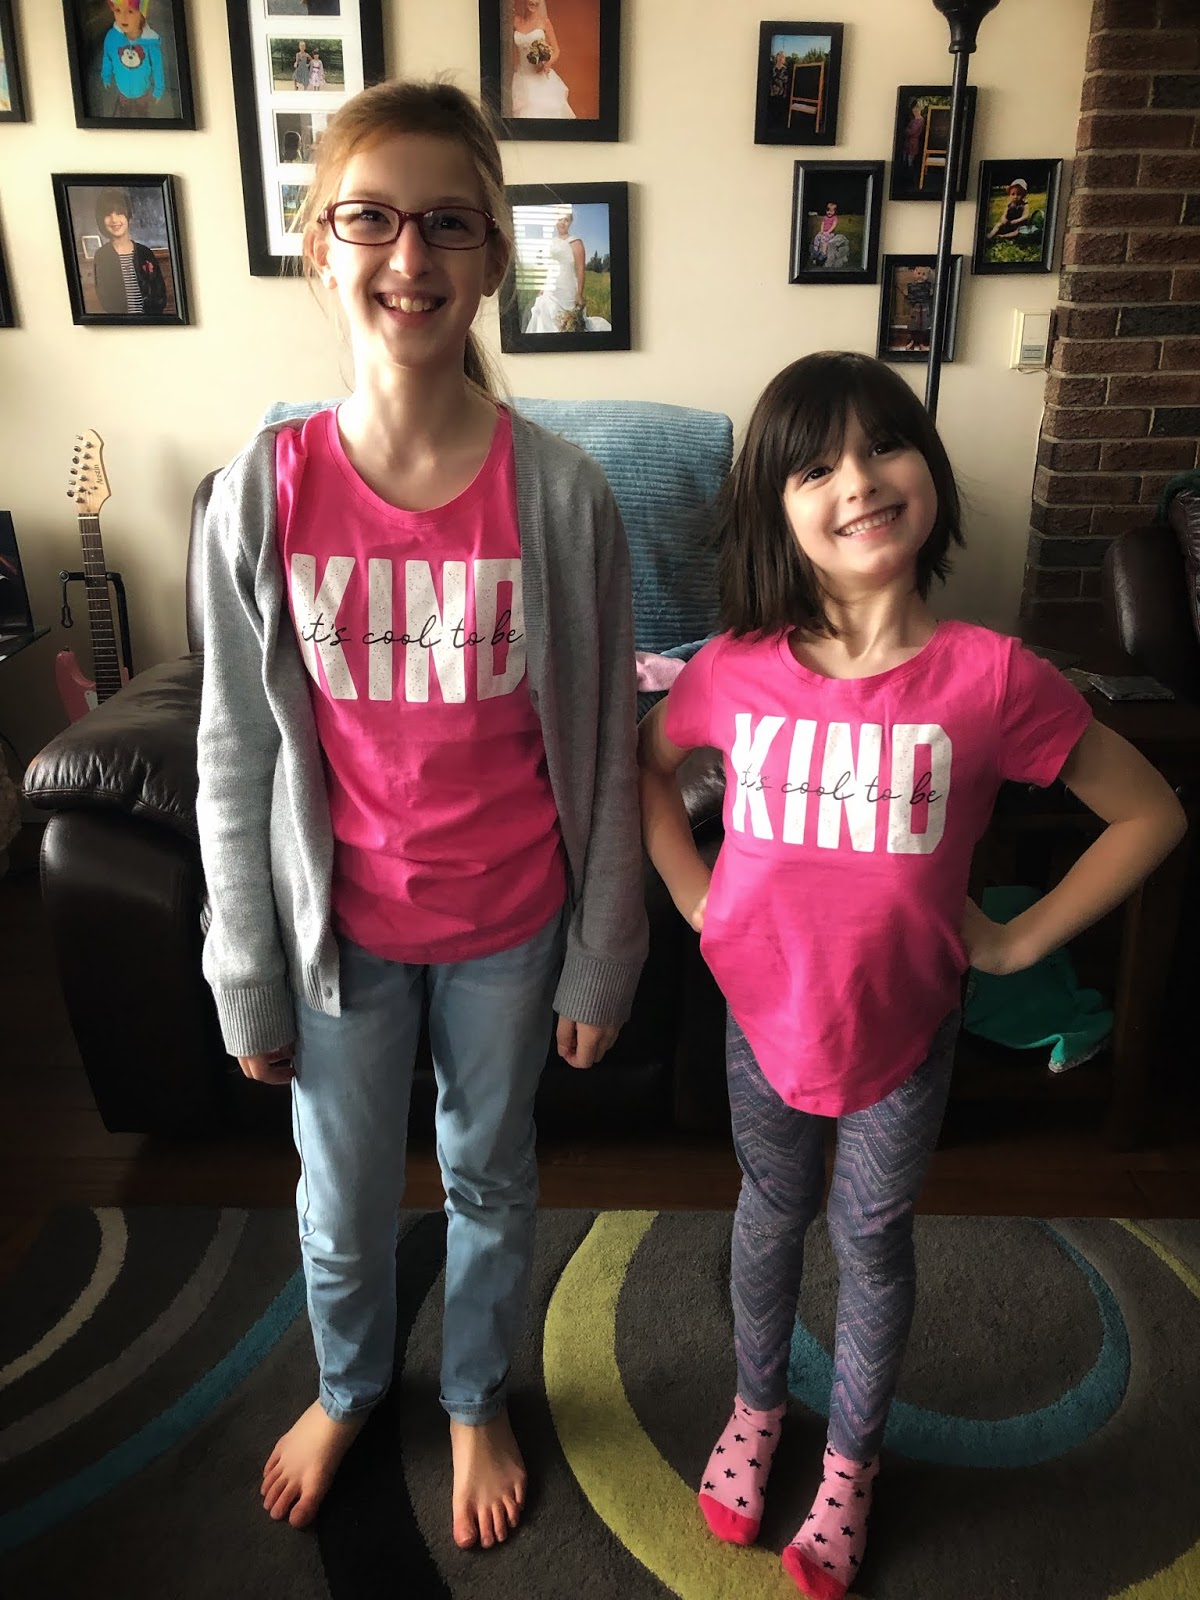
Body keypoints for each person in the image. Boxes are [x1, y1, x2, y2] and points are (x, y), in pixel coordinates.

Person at [637, 351, 1186, 1600]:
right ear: (776, 508)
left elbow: (1150, 811)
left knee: (873, 1238)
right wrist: (693, 895)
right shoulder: (736, 666)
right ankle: (755, 1405)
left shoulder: (993, 678)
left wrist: (1019, 941)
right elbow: (648, 766)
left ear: (926, 470)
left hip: (906, 1027)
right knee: (769, 1210)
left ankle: (851, 1462)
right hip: (761, 1016)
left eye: (883, 443)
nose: (859, 479)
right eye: (816, 465)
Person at [195, 78, 645, 1550]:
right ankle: (347, 1385)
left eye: (450, 222)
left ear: (495, 254)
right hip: (341, 938)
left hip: (512, 927)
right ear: (319, 247)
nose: (410, 254)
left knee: (490, 1176)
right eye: (371, 218)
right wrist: (244, 966)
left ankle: (471, 1393)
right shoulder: (261, 492)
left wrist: (604, 955)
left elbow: (606, 744)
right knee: (338, 1202)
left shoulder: (562, 497)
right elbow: (233, 752)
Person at [524, 210, 611, 333]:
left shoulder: (575, 242)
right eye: (560, 219)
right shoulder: (552, 241)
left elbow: (581, 269)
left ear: (570, 222)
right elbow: (551, 265)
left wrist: (579, 294)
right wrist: (543, 287)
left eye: (566, 220)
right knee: (542, 307)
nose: (562, 223)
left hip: (567, 287)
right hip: (550, 287)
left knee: (567, 322)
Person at [90, 186, 167, 315]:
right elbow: (104, 296)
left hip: (150, 321)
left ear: (128, 216)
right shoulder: (102, 256)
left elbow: (159, 293)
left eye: (119, 213)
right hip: (121, 323)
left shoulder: (145, 253)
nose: (114, 220)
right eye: (108, 215)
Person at [101, 0, 165, 118]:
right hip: (123, 89)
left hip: (142, 91)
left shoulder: (150, 43)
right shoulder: (112, 37)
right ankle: (125, 113)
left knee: (142, 110)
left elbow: (157, 68)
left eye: (130, 11)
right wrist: (106, 75)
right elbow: (107, 57)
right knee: (124, 109)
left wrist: (158, 89)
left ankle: (142, 114)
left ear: (142, 15)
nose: (123, 17)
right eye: (118, 10)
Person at [511, 0, 574, 119]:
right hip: (522, 75)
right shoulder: (515, 21)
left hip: (539, 75)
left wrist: (547, 63)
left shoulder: (545, 23)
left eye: (537, 1)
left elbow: (556, 50)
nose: (534, 3)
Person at [988, 177, 1032, 242]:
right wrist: (1004, 219)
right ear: (1009, 195)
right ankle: (990, 236)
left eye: (1019, 194)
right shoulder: (1009, 205)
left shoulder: (1024, 205)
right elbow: (1004, 214)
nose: (1015, 197)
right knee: (998, 225)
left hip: (1019, 224)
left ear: (1023, 195)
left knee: (1018, 231)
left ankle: (1002, 237)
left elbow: (1025, 216)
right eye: (1013, 194)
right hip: (1009, 223)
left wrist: (1016, 221)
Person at [903, 263, 934, 350]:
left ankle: (921, 343)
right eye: (919, 273)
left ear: (927, 276)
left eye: (923, 274)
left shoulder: (928, 285)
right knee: (913, 325)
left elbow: (931, 295)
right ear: (914, 273)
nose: (921, 276)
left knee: (923, 326)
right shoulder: (910, 285)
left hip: (925, 308)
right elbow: (907, 294)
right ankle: (912, 341)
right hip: (914, 307)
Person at [808, 202, 842, 267]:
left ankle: (824, 253)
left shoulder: (834, 218)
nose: (829, 212)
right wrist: (821, 231)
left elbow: (833, 226)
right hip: (824, 232)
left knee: (824, 239)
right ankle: (815, 250)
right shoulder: (825, 217)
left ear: (835, 212)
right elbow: (822, 224)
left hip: (830, 233)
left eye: (831, 211)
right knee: (817, 237)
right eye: (828, 211)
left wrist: (828, 232)